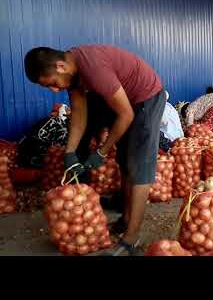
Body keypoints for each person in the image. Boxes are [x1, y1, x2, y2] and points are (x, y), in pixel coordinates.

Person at [24, 44, 165, 256]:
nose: (54, 90)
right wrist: (70, 152)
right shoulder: (73, 75)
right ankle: (126, 219)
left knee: (139, 165)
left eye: (52, 84)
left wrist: (101, 151)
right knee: (125, 161)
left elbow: (126, 115)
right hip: (126, 101)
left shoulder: (93, 68)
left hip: (146, 97)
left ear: (60, 66)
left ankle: (132, 236)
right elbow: (79, 115)